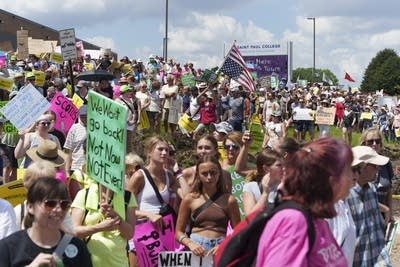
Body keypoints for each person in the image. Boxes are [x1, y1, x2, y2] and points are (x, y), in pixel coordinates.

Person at [256, 138, 353, 267]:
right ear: (330, 178)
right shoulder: (294, 223)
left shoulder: (318, 221)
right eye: (348, 170)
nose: (352, 176)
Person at [0, 177, 92, 266]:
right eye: (50, 203)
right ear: (30, 207)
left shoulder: (77, 247)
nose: (58, 209)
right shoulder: (9, 247)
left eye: (64, 204)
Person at [126, 136, 177, 267]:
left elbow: (186, 194)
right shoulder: (139, 176)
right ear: (149, 152)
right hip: (142, 234)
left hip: (163, 234)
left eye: (167, 150)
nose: (164, 153)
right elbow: (124, 207)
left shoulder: (169, 176)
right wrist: (148, 215)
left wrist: (177, 170)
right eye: (160, 149)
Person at [175, 156, 240, 256]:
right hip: (195, 248)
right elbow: (178, 232)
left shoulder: (229, 200)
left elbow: (238, 231)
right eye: (204, 173)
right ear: (198, 175)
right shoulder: (189, 199)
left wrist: (224, 245)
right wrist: (190, 243)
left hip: (219, 248)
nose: (209, 177)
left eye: (213, 172)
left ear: (219, 174)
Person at [71, 176, 137, 267]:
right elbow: (73, 232)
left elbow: (130, 234)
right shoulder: (83, 194)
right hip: (88, 263)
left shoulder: (127, 196)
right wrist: (100, 227)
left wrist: (116, 217)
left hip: (119, 263)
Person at [347, 146, 392, 266]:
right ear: (363, 167)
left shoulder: (371, 190)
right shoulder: (344, 198)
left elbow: (377, 235)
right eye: (375, 165)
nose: (378, 169)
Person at [359, 127, 394, 224]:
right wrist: (385, 209)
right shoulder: (359, 164)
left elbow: (389, 191)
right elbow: (357, 194)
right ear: (363, 143)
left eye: (377, 141)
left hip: (383, 217)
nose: (374, 144)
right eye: (370, 141)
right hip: (364, 215)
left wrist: (390, 212)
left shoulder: (386, 162)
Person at [242, 149, 283, 216]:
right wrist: (265, 194)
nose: (283, 168)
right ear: (266, 169)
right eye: (279, 165)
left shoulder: (286, 186)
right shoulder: (250, 187)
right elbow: (250, 218)